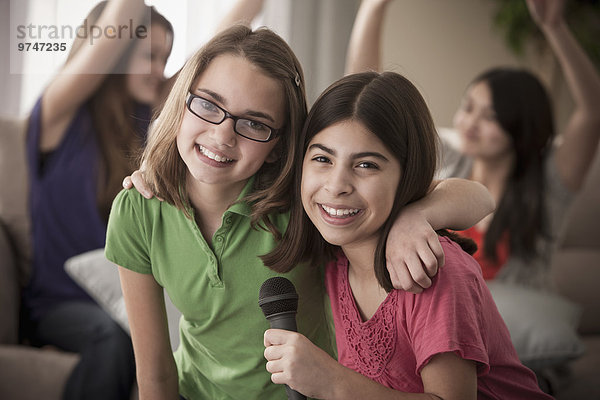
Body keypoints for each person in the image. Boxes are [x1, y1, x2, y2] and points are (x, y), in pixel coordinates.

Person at [106, 22, 495, 399]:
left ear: (278, 144)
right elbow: (154, 371)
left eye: (254, 124)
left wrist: (418, 215)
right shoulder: (138, 208)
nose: (222, 135)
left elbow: (477, 196)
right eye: (209, 105)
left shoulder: (307, 200)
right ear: (183, 103)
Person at [262, 71, 553, 400]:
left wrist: (333, 382)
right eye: (321, 159)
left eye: (367, 165)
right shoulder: (335, 255)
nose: (336, 185)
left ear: (407, 176)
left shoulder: (433, 271)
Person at [345, 0, 600, 290]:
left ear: (522, 127)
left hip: (515, 324)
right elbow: (366, 103)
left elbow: (593, 111)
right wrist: (373, 7)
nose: (470, 123)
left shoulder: (550, 181)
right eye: (468, 108)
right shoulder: (447, 157)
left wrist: (554, 28)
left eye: (490, 116)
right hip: (443, 311)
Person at [23, 1, 173, 399]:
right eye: (149, 56)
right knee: (112, 338)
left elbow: (211, 64)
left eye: (165, 58)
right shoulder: (61, 111)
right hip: (60, 304)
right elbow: (122, 15)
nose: (159, 71)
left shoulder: (143, 122)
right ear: (117, 51)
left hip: (126, 297)